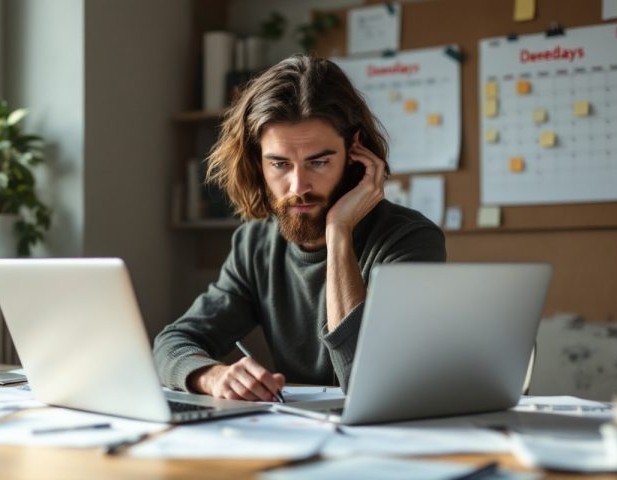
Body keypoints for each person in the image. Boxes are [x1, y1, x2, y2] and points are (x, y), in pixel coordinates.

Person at [153, 54, 446, 402]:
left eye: (318, 162)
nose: (297, 187)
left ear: (356, 154)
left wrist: (339, 233)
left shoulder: (410, 240)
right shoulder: (255, 244)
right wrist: (214, 377)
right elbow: (172, 343)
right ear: (257, 162)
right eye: (279, 164)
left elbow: (368, 383)